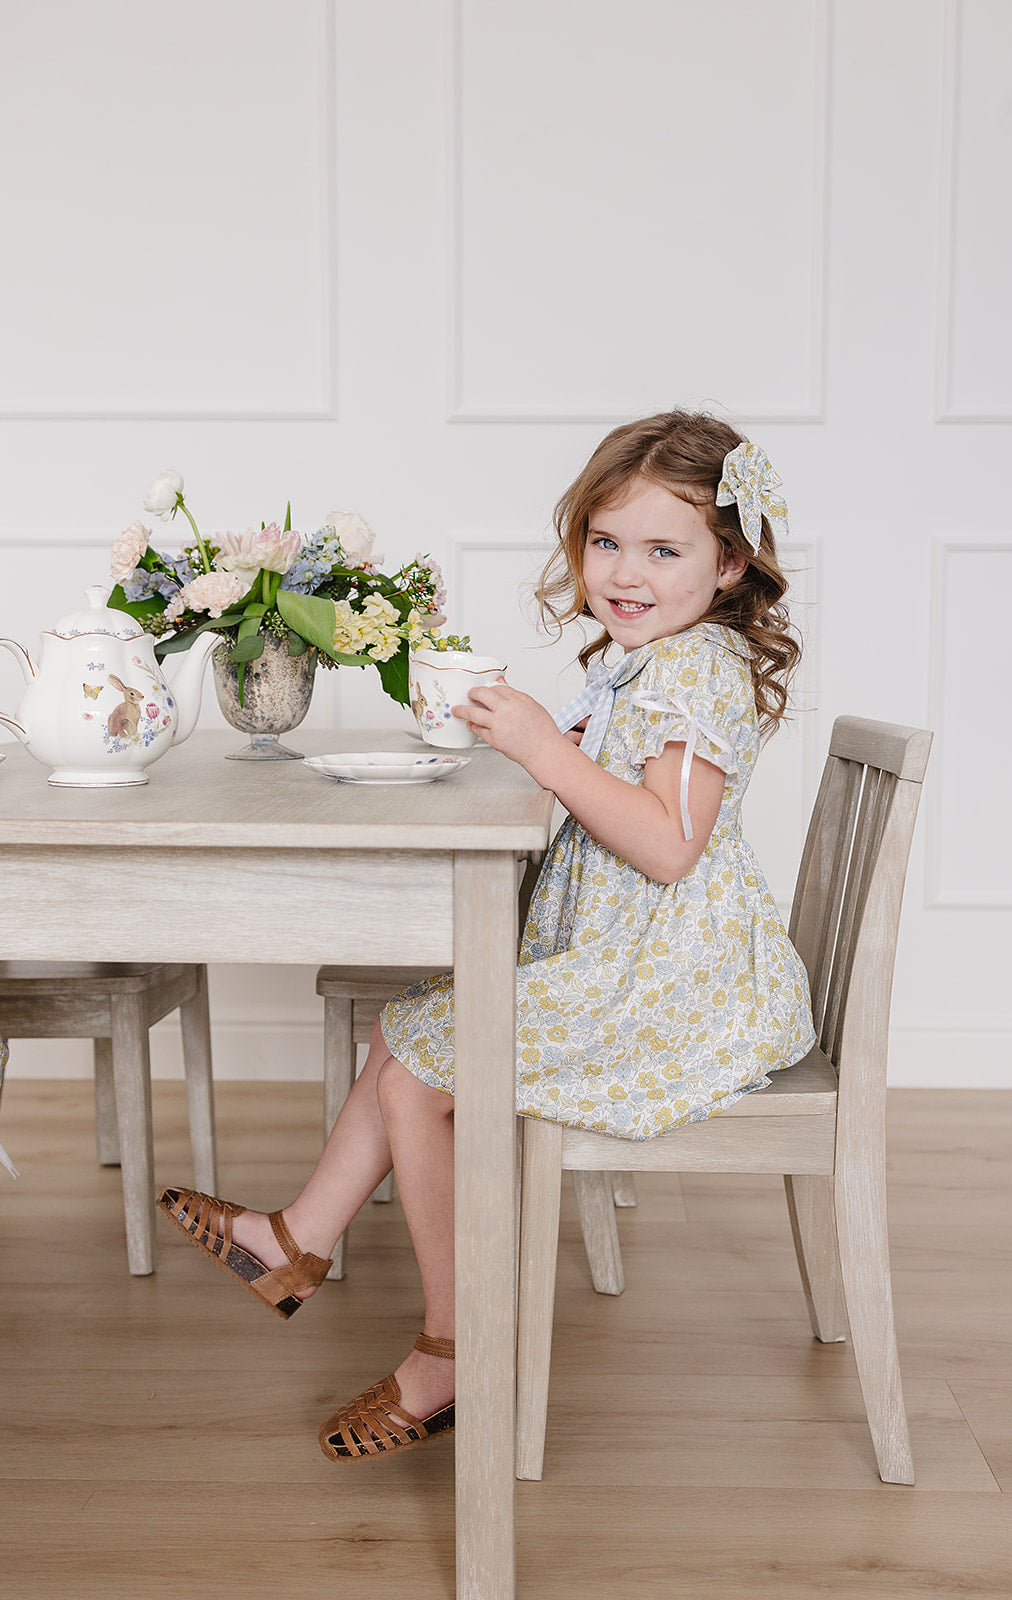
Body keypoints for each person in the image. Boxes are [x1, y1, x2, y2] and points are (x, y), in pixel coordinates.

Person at [158, 409, 817, 1462]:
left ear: (730, 561)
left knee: (423, 1062)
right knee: (414, 1020)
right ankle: (293, 1242)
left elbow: (665, 847)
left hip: (674, 982)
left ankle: (453, 1350)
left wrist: (537, 749)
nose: (624, 571)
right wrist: (541, 741)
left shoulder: (694, 670)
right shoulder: (657, 658)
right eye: (606, 542)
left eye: (663, 548)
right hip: (638, 961)